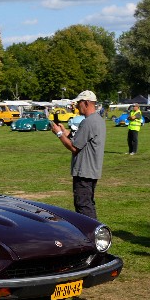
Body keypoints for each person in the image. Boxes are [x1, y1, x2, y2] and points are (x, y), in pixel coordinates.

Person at [49, 91, 105, 219]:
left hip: (84, 171)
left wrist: (58, 134)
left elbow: (74, 147)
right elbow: (80, 139)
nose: (76, 106)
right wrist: (65, 132)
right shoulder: (98, 120)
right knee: (87, 203)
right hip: (91, 170)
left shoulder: (88, 122)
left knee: (83, 205)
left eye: (79, 103)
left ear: (86, 103)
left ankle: (91, 235)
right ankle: (93, 233)